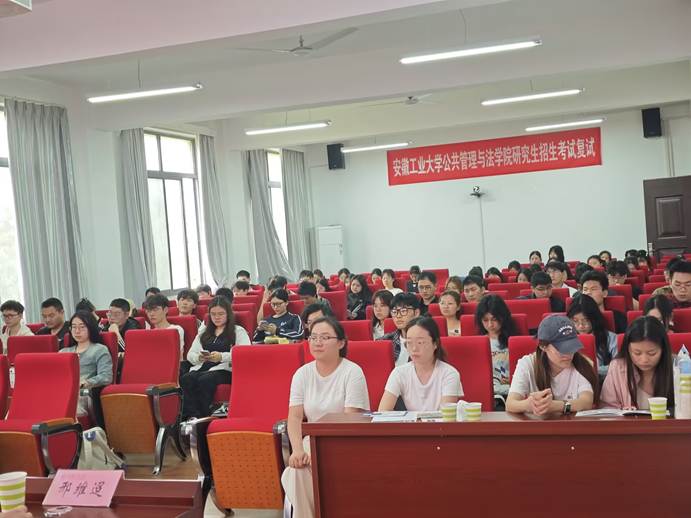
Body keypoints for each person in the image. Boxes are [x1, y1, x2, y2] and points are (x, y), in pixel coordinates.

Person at [282, 317, 369, 518]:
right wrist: (297, 450)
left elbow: (350, 418)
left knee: (299, 474)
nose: (317, 342)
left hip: (347, 440)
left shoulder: (352, 372)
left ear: (341, 343)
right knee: (296, 470)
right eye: (313, 337)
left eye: (325, 337)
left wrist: (320, 453)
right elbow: (294, 417)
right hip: (312, 441)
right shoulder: (302, 374)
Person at [506, 315, 598, 415]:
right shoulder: (527, 364)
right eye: (562, 349)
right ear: (543, 346)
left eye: (572, 347)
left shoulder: (583, 363)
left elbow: (586, 402)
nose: (568, 354)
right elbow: (510, 404)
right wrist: (528, 404)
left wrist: (556, 406)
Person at [182, 297, 251, 418]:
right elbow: (190, 354)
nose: (217, 317)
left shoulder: (238, 331)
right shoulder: (204, 332)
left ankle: (204, 416)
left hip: (226, 370)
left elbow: (245, 354)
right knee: (186, 378)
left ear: (228, 314)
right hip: (203, 367)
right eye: (213, 314)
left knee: (206, 379)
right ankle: (191, 416)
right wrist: (199, 357)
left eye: (221, 314)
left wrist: (221, 357)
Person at [378, 317, 462, 411]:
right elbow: (383, 412)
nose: (414, 348)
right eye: (409, 342)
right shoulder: (399, 373)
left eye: (420, 342)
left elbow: (446, 415)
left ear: (435, 344)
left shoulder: (449, 374)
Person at [600, 316, 674, 410]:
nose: (644, 360)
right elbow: (607, 407)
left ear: (663, 349)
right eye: (637, 353)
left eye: (652, 353)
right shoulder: (618, 367)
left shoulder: (677, 367)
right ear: (628, 349)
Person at [60, 311, 113, 416]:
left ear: (90, 328)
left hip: (83, 394)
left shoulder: (99, 350)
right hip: (62, 392)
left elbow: (106, 376)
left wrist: (87, 382)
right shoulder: (63, 352)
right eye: (74, 327)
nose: (77, 331)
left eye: (82, 327)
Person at [567, 294, 618, 377]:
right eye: (575, 321)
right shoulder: (566, 338)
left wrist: (594, 369)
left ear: (594, 319)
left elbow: (619, 366)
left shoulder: (610, 338)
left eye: (586, 320)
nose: (581, 326)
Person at [475, 294, 515, 399]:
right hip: (487, 392)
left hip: (513, 391)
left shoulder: (514, 340)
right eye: (485, 320)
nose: (490, 325)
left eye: (494, 319)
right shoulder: (477, 343)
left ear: (503, 318)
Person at [379, 293, 421, 366]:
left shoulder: (427, 341)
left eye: (403, 311)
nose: (398, 316)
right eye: (394, 312)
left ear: (416, 313)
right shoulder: (383, 341)